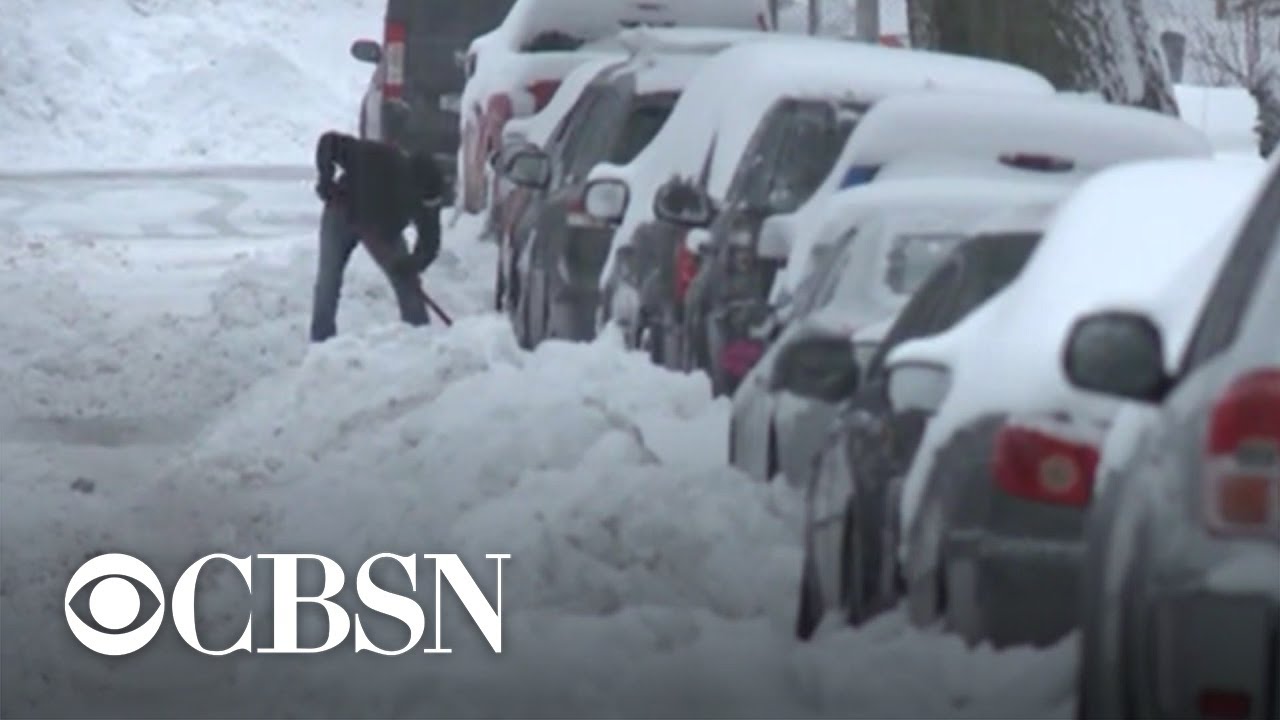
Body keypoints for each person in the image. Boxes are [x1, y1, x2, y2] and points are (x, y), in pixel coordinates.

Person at [310, 130, 445, 343]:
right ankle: (320, 343)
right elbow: (328, 142)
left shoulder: (428, 197)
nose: (421, 205)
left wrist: (412, 264)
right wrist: (325, 178)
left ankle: (420, 341)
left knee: (407, 283)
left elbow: (430, 242)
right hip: (341, 213)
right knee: (328, 280)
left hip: (384, 231)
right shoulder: (375, 156)